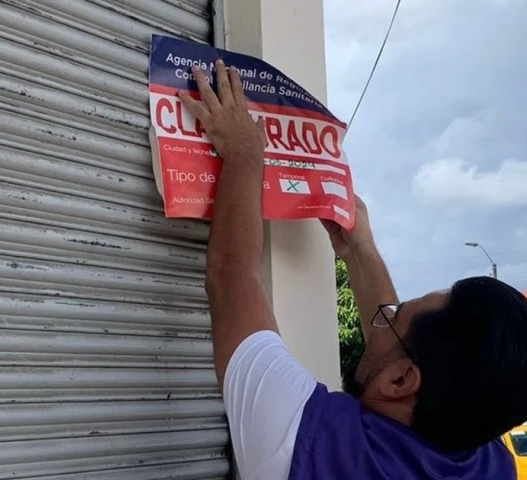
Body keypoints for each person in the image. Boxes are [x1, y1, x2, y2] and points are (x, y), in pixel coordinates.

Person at [179, 59, 527, 479]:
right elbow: (416, 357)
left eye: (395, 315)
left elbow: (232, 276)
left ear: (400, 382)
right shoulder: (491, 461)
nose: (385, 313)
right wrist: (362, 252)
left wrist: (243, 153)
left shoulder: (309, 442)